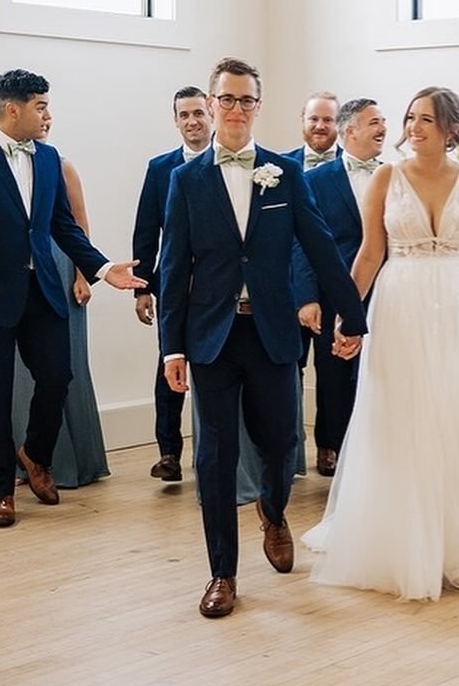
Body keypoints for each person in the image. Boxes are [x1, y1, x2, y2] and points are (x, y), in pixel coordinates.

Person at [303, 86, 459, 601]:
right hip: (400, 305)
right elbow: (369, 256)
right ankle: (399, 538)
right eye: (410, 118)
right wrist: (348, 319)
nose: (413, 127)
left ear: (450, 129)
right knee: (402, 415)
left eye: (426, 119)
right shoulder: (385, 177)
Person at [158, 58, 366, 618]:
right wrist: (171, 347)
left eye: (246, 100)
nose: (234, 110)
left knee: (279, 444)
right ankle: (221, 573)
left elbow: (321, 247)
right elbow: (173, 267)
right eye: (225, 99)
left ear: (258, 106)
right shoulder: (185, 179)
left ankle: (273, 512)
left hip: (274, 332)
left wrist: (355, 316)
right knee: (216, 456)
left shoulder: (284, 173)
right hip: (212, 337)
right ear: (211, 102)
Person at [0, 69, 146, 528]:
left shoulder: (48, 159)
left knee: (58, 377)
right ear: (14, 108)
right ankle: (0, 493)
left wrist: (104, 269)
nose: (49, 114)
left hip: (41, 291)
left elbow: (63, 227)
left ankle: (35, 453)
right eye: (41, 105)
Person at [292, 97, 387, 476]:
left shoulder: (393, 174)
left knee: (380, 371)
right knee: (333, 378)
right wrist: (308, 297)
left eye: (384, 121)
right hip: (333, 291)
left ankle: (376, 451)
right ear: (349, 131)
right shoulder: (314, 179)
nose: (383, 129)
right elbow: (301, 242)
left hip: (386, 289)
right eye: (374, 122)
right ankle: (332, 446)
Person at [12, 127, 109, 488]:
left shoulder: (61, 165)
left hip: (63, 270)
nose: (45, 120)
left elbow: (79, 224)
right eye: (39, 112)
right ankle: (25, 460)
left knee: (65, 369)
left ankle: (69, 462)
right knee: (22, 374)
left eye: (47, 114)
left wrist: (84, 276)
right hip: (21, 272)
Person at [132, 86, 213, 482]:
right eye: (184, 115)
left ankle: (215, 453)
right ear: (176, 120)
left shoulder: (229, 163)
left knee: (217, 368)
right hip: (171, 285)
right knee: (169, 364)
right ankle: (168, 452)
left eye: (198, 112)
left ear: (211, 114)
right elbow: (147, 230)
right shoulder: (159, 168)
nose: (192, 121)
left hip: (219, 285)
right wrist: (142, 287)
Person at [283, 91, 342, 472]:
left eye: (327, 120)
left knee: (333, 373)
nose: (320, 126)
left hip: (334, 286)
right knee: (286, 370)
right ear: (302, 120)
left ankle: (330, 445)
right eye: (313, 119)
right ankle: (286, 450)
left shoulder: (353, 169)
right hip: (286, 286)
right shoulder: (277, 167)